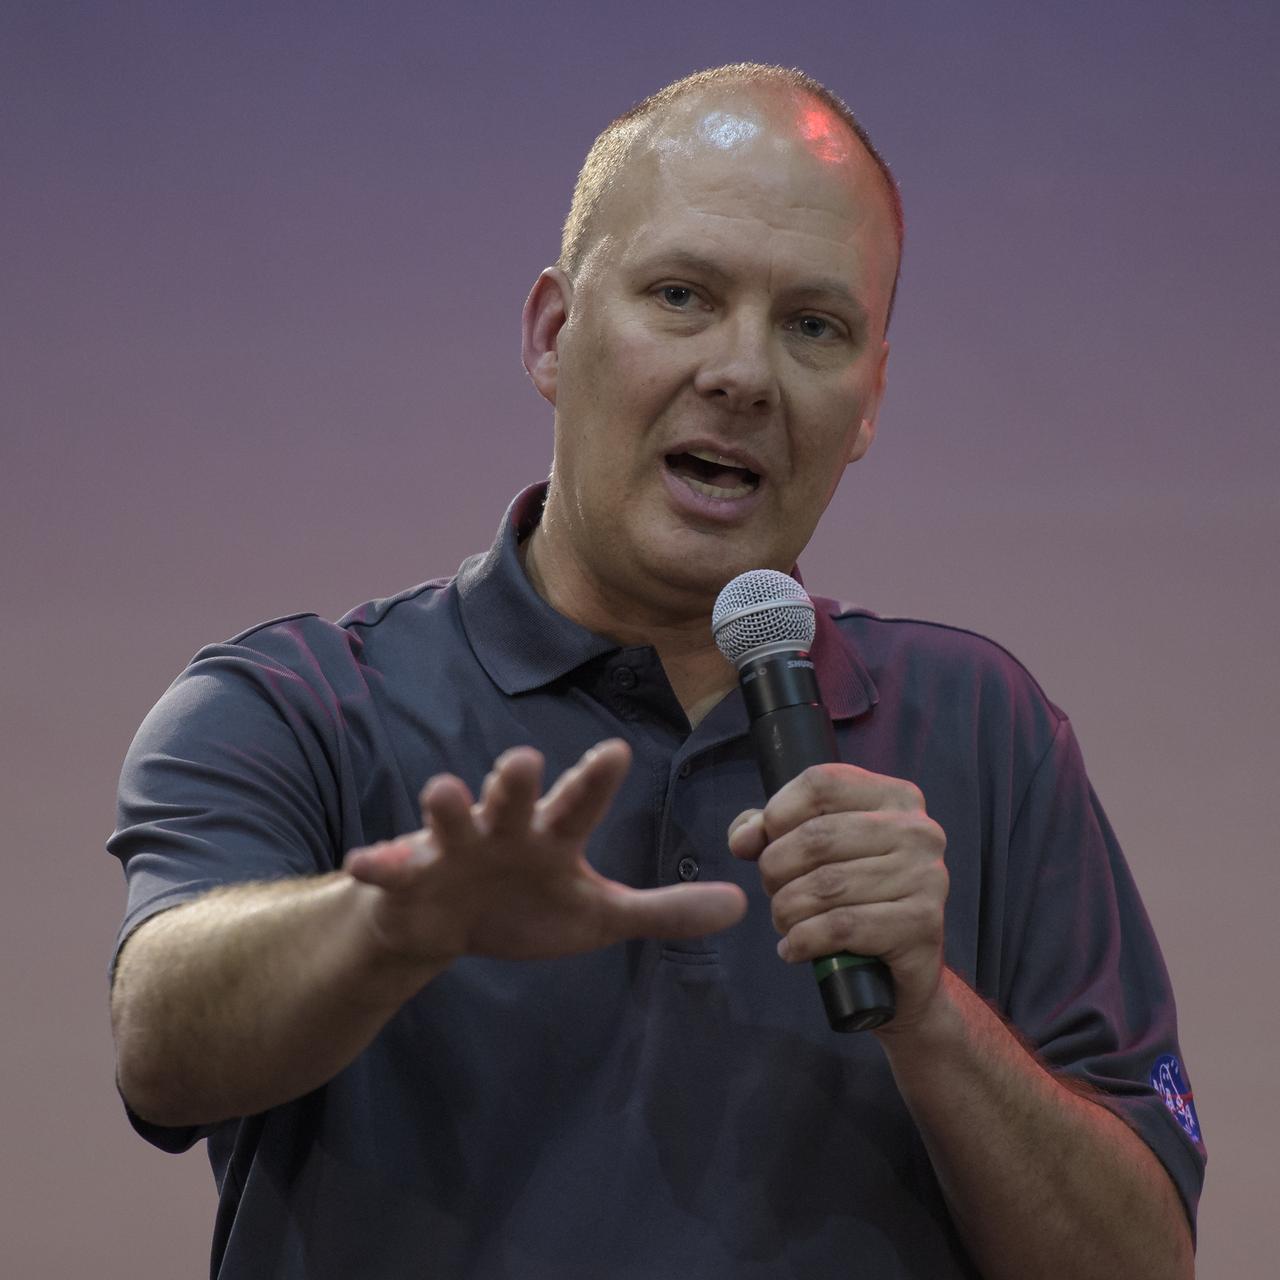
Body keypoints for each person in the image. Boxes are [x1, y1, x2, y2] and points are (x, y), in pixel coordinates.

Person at [108, 64, 1204, 1279]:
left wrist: (933, 1017)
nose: (742, 373)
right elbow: (157, 1043)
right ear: (552, 333)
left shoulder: (983, 728)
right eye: (682, 295)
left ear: (868, 401)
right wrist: (391, 923)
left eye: (813, 325)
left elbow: (1139, 1264)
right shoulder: (299, 703)